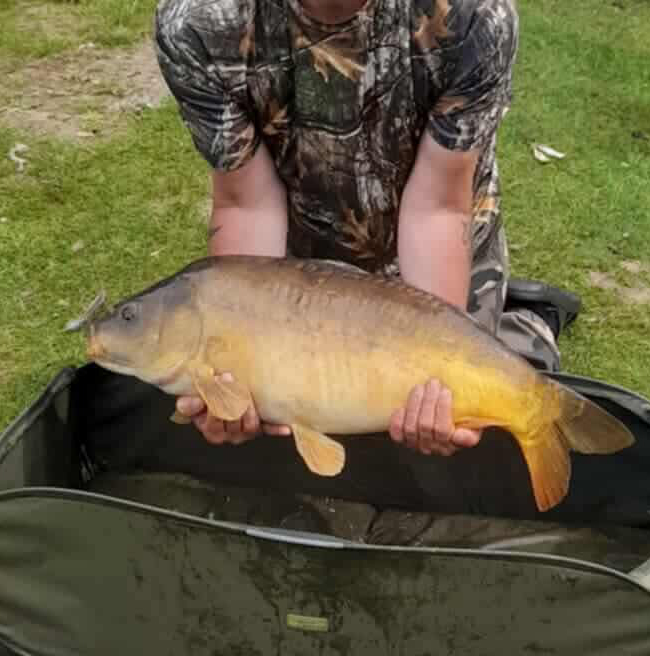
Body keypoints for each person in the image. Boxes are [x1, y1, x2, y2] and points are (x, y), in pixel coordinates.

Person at [153, 0, 577, 458]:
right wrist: (233, 362)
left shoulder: (474, 15)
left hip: (433, 229)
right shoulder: (197, 22)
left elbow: (436, 208)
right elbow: (247, 204)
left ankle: (529, 325)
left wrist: (435, 372)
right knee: (272, 431)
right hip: (300, 263)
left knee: (463, 414)